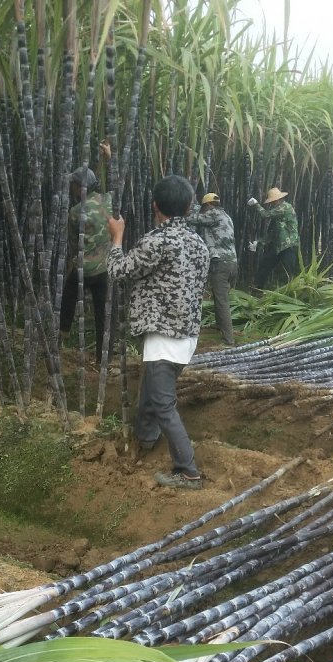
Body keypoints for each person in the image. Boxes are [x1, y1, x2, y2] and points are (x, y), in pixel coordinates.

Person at [107, 174, 209, 491]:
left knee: (163, 403)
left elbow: (118, 272)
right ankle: (146, 441)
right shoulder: (199, 244)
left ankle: (188, 471)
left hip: (163, 338)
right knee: (151, 396)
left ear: (155, 206)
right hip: (187, 336)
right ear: (190, 206)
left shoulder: (157, 242)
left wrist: (117, 238)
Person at [60, 144, 113, 365]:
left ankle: (61, 337)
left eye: (73, 185)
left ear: (79, 187)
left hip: (83, 269)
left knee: (68, 300)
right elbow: (113, 184)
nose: (71, 188)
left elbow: (73, 243)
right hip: (105, 269)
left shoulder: (75, 212)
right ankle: (105, 357)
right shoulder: (108, 201)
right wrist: (107, 160)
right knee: (103, 313)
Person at [186, 192, 237, 346]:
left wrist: (189, 206)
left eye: (203, 207)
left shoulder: (213, 214)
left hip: (221, 263)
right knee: (218, 296)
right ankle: (220, 327)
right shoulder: (225, 215)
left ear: (207, 205)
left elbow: (191, 219)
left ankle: (229, 340)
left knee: (222, 301)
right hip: (232, 263)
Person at [247, 187, 299, 289]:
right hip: (279, 246)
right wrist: (258, 242)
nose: (272, 204)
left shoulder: (285, 207)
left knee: (288, 272)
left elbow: (266, 214)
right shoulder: (279, 216)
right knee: (265, 264)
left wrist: (256, 204)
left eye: (273, 202)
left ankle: (290, 294)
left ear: (278, 200)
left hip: (289, 246)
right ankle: (258, 288)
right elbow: (274, 233)